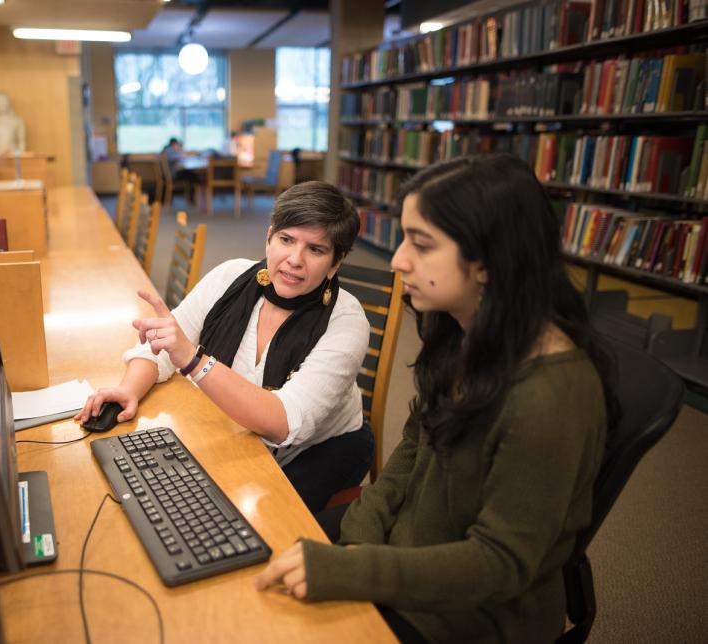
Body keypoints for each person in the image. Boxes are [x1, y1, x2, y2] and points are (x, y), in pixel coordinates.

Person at [254, 154, 618, 644]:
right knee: (254, 556)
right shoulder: (460, 330)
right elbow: (412, 447)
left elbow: (499, 563)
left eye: (421, 245)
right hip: (404, 551)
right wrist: (359, 534)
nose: (399, 260)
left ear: (489, 262)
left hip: (473, 616)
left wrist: (357, 569)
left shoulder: (552, 394)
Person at [79, 181, 374, 512]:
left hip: (317, 449)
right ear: (269, 236)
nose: (294, 259)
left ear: (335, 263)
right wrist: (129, 389)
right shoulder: (230, 277)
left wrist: (193, 361)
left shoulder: (346, 321)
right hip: (237, 427)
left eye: (316, 250)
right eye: (286, 240)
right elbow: (161, 346)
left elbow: (285, 422)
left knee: (249, 523)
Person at [0, 91, 26, 156]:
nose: (2, 104)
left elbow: (22, 142)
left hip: (13, 157)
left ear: (8, 103)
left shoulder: (18, 121)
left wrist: (19, 158)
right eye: (0, 102)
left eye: (4, 101)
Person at [161, 137, 200, 203]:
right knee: (192, 175)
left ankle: (192, 197)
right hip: (171, 175)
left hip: (168, 174)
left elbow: (179, 158)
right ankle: (192, 198)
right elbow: (180, 156)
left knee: (190, 174)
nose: (177, 146)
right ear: (174, 144)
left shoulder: (167, 150)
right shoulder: (169, 150)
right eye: (177, 144)